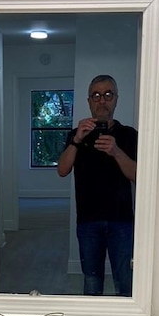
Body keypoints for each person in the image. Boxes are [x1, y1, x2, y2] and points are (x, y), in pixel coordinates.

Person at [57, 75, 137, 296]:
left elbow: (139, 175)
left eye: (108, 94)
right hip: (88, 222)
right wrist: (76, 140)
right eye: (96, 95)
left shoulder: (128, 135)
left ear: (116, 99)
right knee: (92, 283)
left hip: (122, 221)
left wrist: (116, 151)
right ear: (89, 101)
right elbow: (62, 170)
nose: (102, 100)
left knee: (125, 281)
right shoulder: (77, 134)